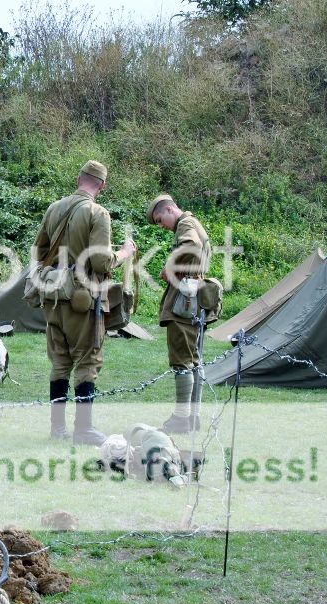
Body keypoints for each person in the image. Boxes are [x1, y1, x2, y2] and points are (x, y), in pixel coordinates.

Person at [32, 160, 136, 445]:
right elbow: (101, 261)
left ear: (79, 178)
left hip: (53, 295)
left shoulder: (54, 208)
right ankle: (84, 429)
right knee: (88, 359)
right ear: (101, 186)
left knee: (60, 360)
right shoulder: (97, 212)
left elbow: (39, 250)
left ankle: (57, 429)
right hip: (83, 297)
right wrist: (125, 254)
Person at [147, 194, 210, 434]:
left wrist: (170, 266)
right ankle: (192, 418)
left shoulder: (185, 224)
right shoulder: (192, 222)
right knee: (193, 359)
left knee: (182, 358)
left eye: (160, 219)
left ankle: (182, 419)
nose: (161, 225)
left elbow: (191, 246)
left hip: (184, 299)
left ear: (170, 209)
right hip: (193, 296)